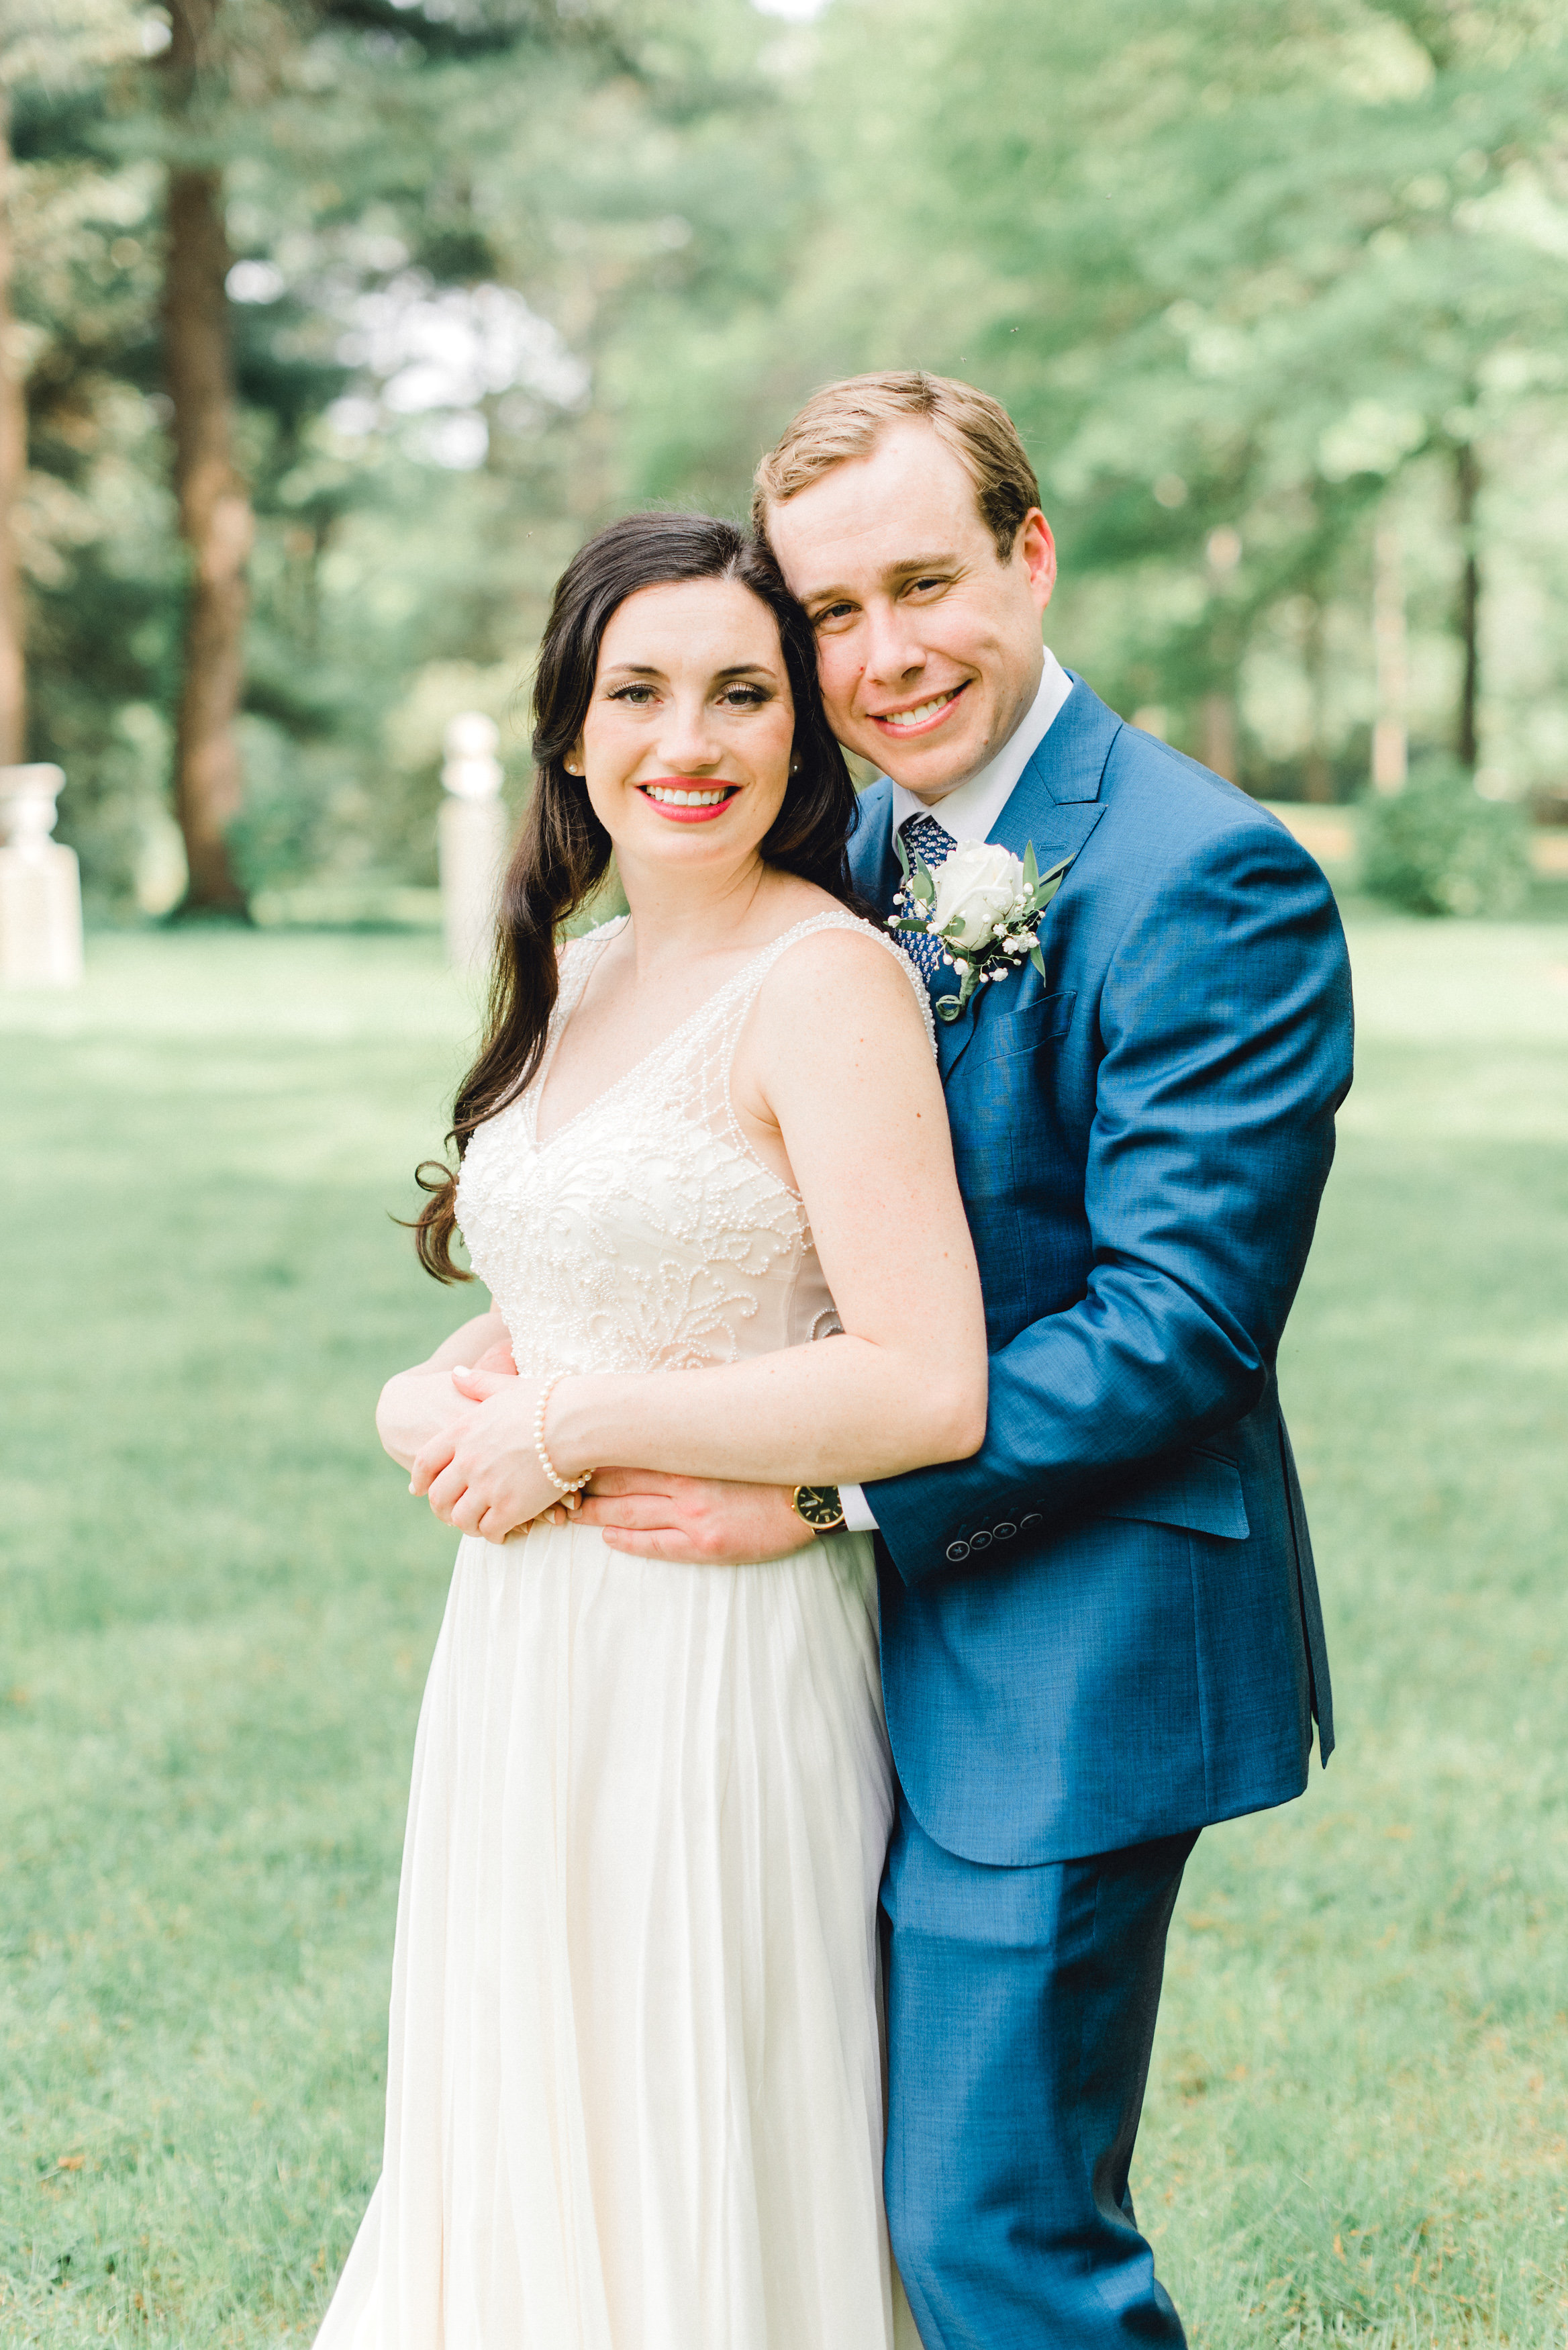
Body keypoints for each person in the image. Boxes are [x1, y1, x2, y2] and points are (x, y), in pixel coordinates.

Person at [575, 373, 1357, 2349]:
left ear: (1033, 554)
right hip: (806, 1657)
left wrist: (827, 1482)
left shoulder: (1206, 872)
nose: (883, 656)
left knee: (991, 2228)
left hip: (1069, 1635)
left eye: (924, 584)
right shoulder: (841, 855)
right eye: (831, 613)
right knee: (799, 2178)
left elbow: (1182, 1324)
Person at [311, 510, 983, 2349]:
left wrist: (575, 1423)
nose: (690, 740)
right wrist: (429, 1389)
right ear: (572, 725)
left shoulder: (826, 981)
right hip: (529, 1651)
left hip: (718, 1654)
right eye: (641, 692)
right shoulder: (585, 971)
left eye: (742, 694)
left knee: (690, 2114)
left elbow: (926, 1378)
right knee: (532, 2103)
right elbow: (578, 1283)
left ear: (799, 729)